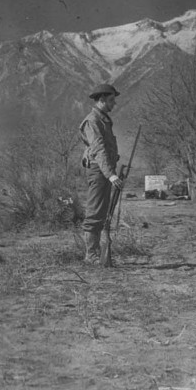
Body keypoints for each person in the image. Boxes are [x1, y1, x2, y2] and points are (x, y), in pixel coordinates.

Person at [79, 83, 125, 264]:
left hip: (104, 170)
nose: (114, 104)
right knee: (95, 211)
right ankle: (91, 256)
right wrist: (111, 175)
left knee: (103, 212)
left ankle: (97, 253)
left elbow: (106, 149)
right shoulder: (93, 121)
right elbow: (98, 150)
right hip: (99, 170)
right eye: (112, 100)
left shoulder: (103, 120)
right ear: (102, 99)